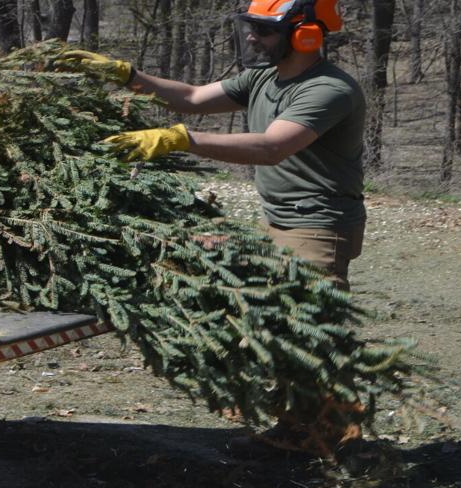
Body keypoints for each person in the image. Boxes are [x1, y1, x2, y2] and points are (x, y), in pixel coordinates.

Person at [54, 0, 366, 289]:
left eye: (265, 30)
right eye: (251, 27)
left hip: (317, 226)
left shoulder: (328, 90)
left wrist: (181, 139)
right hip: (277, 217)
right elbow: (191, 98)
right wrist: (124, 74)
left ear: (305, 35)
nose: (252, 38)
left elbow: (272, 148)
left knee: (309, 332)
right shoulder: (264, 78)